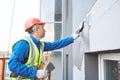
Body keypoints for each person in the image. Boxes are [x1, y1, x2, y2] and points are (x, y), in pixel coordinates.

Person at [8, 17, 83, 80]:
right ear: (36, 29)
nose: (45, 30)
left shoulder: (40, 45)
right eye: (42, 28)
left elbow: (56, 45)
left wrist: (72, 38)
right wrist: (35, 73)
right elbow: (12, 65)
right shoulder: (23, 44)